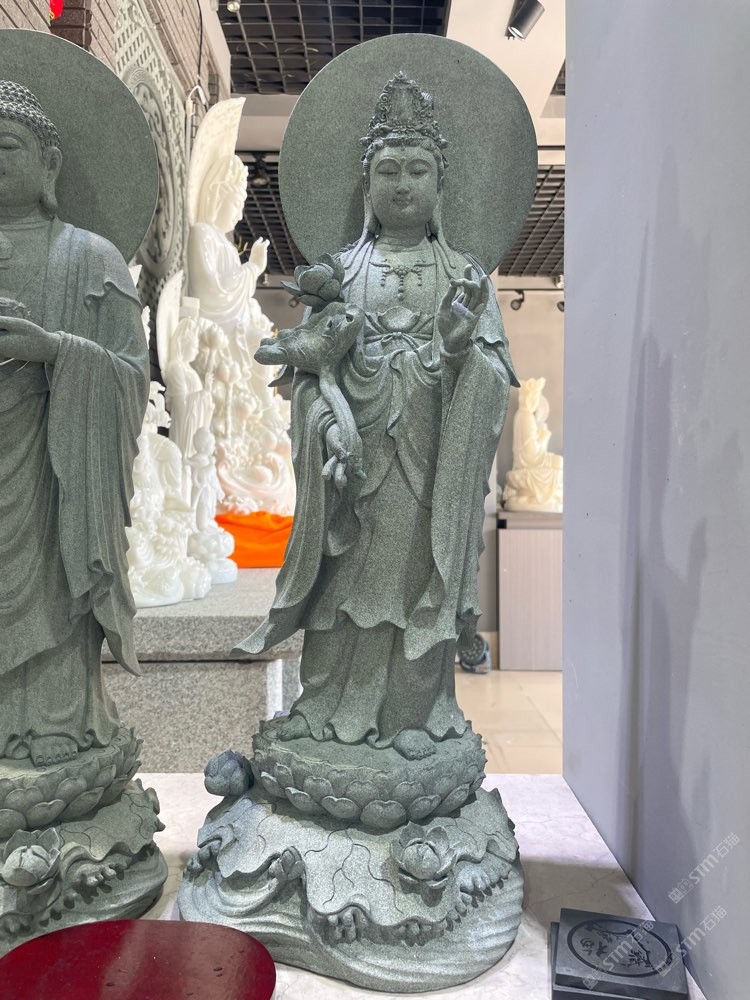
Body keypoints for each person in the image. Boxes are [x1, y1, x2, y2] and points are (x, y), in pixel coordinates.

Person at [238, 73, 518, 760]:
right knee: (342, 592)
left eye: (418, 170)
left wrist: (455, 352)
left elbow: (494, 378)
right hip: (351, 471)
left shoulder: (466, 277)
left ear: (441, 186)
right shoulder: (338, 272)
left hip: (427, 472)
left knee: (419, 583)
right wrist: (328, 419)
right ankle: (324, 709)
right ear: (365, 186)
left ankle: (417, 715)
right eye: (387, 170)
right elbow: (307, 375)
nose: (402, 184)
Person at [0, 82, 148, 767]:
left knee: (56, 582)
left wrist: (57, 350)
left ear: (49, 164)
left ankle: (57, 720)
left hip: (55, 467)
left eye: (7, 146)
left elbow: (130, 369)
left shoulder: (91, 256)